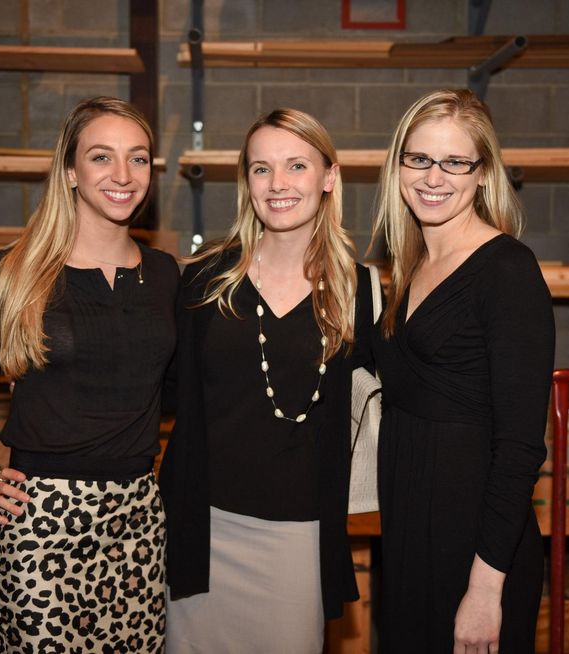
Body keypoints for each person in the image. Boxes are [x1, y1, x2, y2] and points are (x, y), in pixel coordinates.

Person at [0, 96, 178, 653]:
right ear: (71, 171)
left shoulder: (166, 274)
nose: (123, 175)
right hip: (40, 519)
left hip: (139, 517)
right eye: (102, 157)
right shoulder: (15, 271)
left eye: (138, 158)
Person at [159, 108, 374, 652]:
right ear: (246, 181)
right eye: (261, 169)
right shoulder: (205, 278)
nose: (278, 184)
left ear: (328, 178)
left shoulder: (360, 291)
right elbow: (156, 386)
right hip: (200, 530)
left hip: (296, 540)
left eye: (296, 165)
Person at [370, 88, 555, 653]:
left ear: (482, 173)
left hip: (474, 550)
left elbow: (521, 445)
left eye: (455, 162)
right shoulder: (409, 267)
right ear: (399, 164)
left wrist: (484, 589)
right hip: (407, 535)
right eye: (419, 158)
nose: (434, 177)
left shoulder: (508, 271)